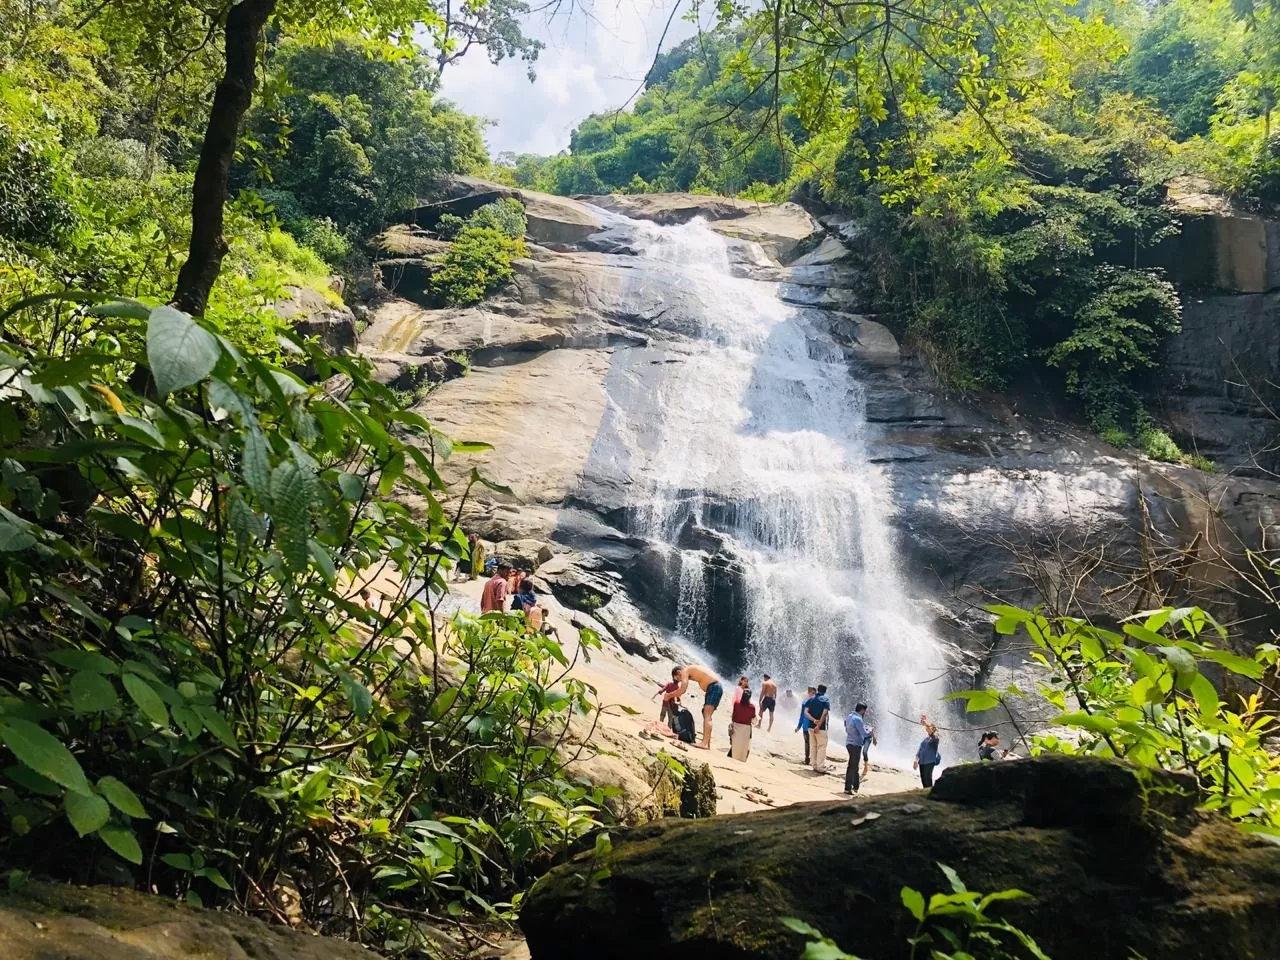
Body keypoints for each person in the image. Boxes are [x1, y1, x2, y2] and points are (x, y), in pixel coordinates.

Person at [676, 665, 724, 750]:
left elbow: (683, 689)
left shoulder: (685, 671)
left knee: (707, 715)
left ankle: (704, 743)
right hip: (714, 687)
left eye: (678, 679)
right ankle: (707, 742)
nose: (680, 680)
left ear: (679, 672)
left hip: (714, 687)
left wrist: (669, 695)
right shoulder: (692, 670)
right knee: (706, 714)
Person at [804, 684, 832, 773]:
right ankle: (820, 766)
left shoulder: (810, 699)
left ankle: (814, 765)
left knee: (813, 746)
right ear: (825, 691)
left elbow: (806, 712)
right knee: (822, 746)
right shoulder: (825, 700)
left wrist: (814, 720)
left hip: (810, 727)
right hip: (821, 728)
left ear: (817, 690)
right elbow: (824, 714)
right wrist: (818, 725)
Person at [843, 702, 869, 794]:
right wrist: (871, 731)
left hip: (849, 743)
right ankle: (848, 788)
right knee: (852, 766)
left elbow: (846, 728)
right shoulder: (858, 719)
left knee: (854, 765)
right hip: (855, 745)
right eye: (864, 711)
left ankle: (855, 786)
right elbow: (864, 734)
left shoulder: (849, 716)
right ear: (862, 710)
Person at [913, 715, 942, 788]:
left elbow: (932, 734)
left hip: (929, 762)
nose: (927, 728)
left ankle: (930, 793)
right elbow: (919, 752)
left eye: (930, 728)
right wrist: (915, 761)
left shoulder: (935, 739)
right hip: (921, 762)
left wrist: (925, 724)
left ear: (933, 730)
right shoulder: (924, 740)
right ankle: (926, 794)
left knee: (928, 779)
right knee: (923, 780)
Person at [729, 689, 756, 761]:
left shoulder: (736, 703)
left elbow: (734, 715)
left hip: (736, 725)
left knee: (735, 744)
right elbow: (753, 718)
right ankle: (742, 758)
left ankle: (732, 756)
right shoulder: (752, 707)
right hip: (746, 728)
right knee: (744, 745)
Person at [795, 686, 817, 764]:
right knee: (807, 743)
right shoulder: (804, 703)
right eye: (812, 693)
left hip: (814, 727)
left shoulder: (817, 704)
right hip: (806, 726)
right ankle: (807, 759)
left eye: (815, 693)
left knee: (813, 743)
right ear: (809, 693)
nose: (814, 695)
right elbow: (801, 715)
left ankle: (812, 759)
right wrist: (798, 726)